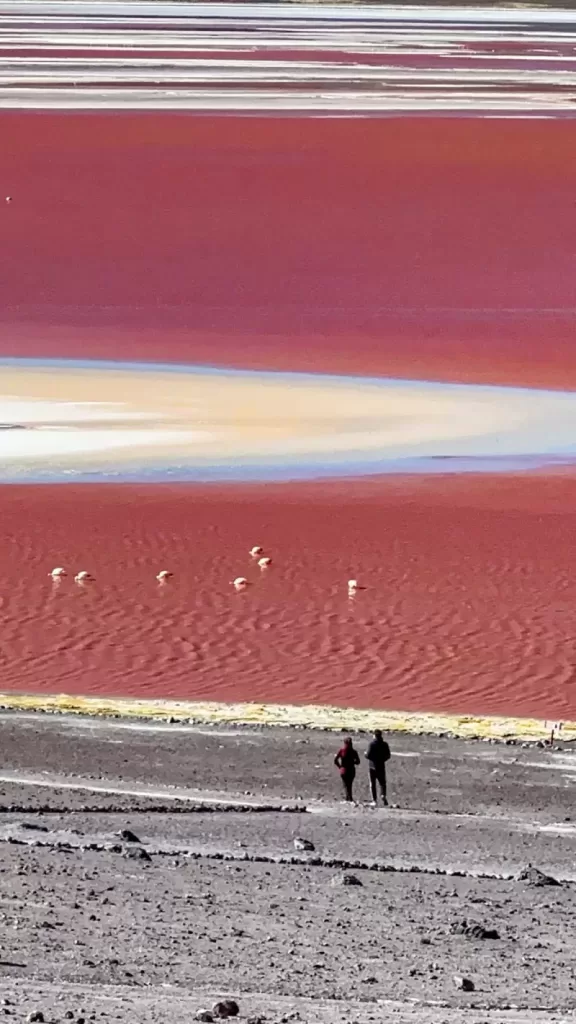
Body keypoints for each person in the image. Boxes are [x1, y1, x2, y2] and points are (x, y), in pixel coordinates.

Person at [364, 729, 391, 806]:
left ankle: (374, 800)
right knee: (382, 783)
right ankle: (383, 795)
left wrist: (365, 754)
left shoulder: (371, 744)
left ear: (375, 735)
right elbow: (388, 755)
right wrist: (383, 759)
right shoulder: (385, 744)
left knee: (372, 784)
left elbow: (368, 755)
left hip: (372, 766)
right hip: (381, 766)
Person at [334, 736, 360, 802]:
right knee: (349, 784)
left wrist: (340, 767)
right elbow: (358, 762)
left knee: (345, 784)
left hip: (344, 770)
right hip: (351, 770)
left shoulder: (342, 751)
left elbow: (335, 760)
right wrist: (353, 762)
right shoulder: (354, 752)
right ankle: (349, 797)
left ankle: (348, 797)